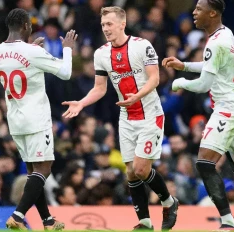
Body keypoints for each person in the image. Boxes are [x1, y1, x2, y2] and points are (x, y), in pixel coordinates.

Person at [62, 6, 178, 231]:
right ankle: (144, 222)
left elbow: (154, 79)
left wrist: (137, 95)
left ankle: (169, 202)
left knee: (142, 168)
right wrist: (82, 103)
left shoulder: (142, 45)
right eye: (103, 24)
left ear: (122, 24)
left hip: (150, 114)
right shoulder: (100, 54)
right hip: (126, 117)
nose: (105, 28)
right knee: (132, 172)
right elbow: (99, 88)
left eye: (110, 24)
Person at [162, 0, 234, 230]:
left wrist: (180, 82)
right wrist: (185, 65)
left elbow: (204, 84)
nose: (193, 12)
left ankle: (228, 222)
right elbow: (212, 65)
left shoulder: (215, 42)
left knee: (204, 162)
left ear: (212, 13)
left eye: (198, 9)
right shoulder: (225, 33)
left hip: (228, 107)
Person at [0, 8, 77, 230]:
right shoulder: (32, 52)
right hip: (36, 118)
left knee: (32, 173)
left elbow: (16, 69)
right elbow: (65, 72)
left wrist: (32, 54)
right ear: (26, 26)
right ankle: (18, 216)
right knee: (44, 169)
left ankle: (47, 220)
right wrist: (67, 49)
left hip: (15, 119)